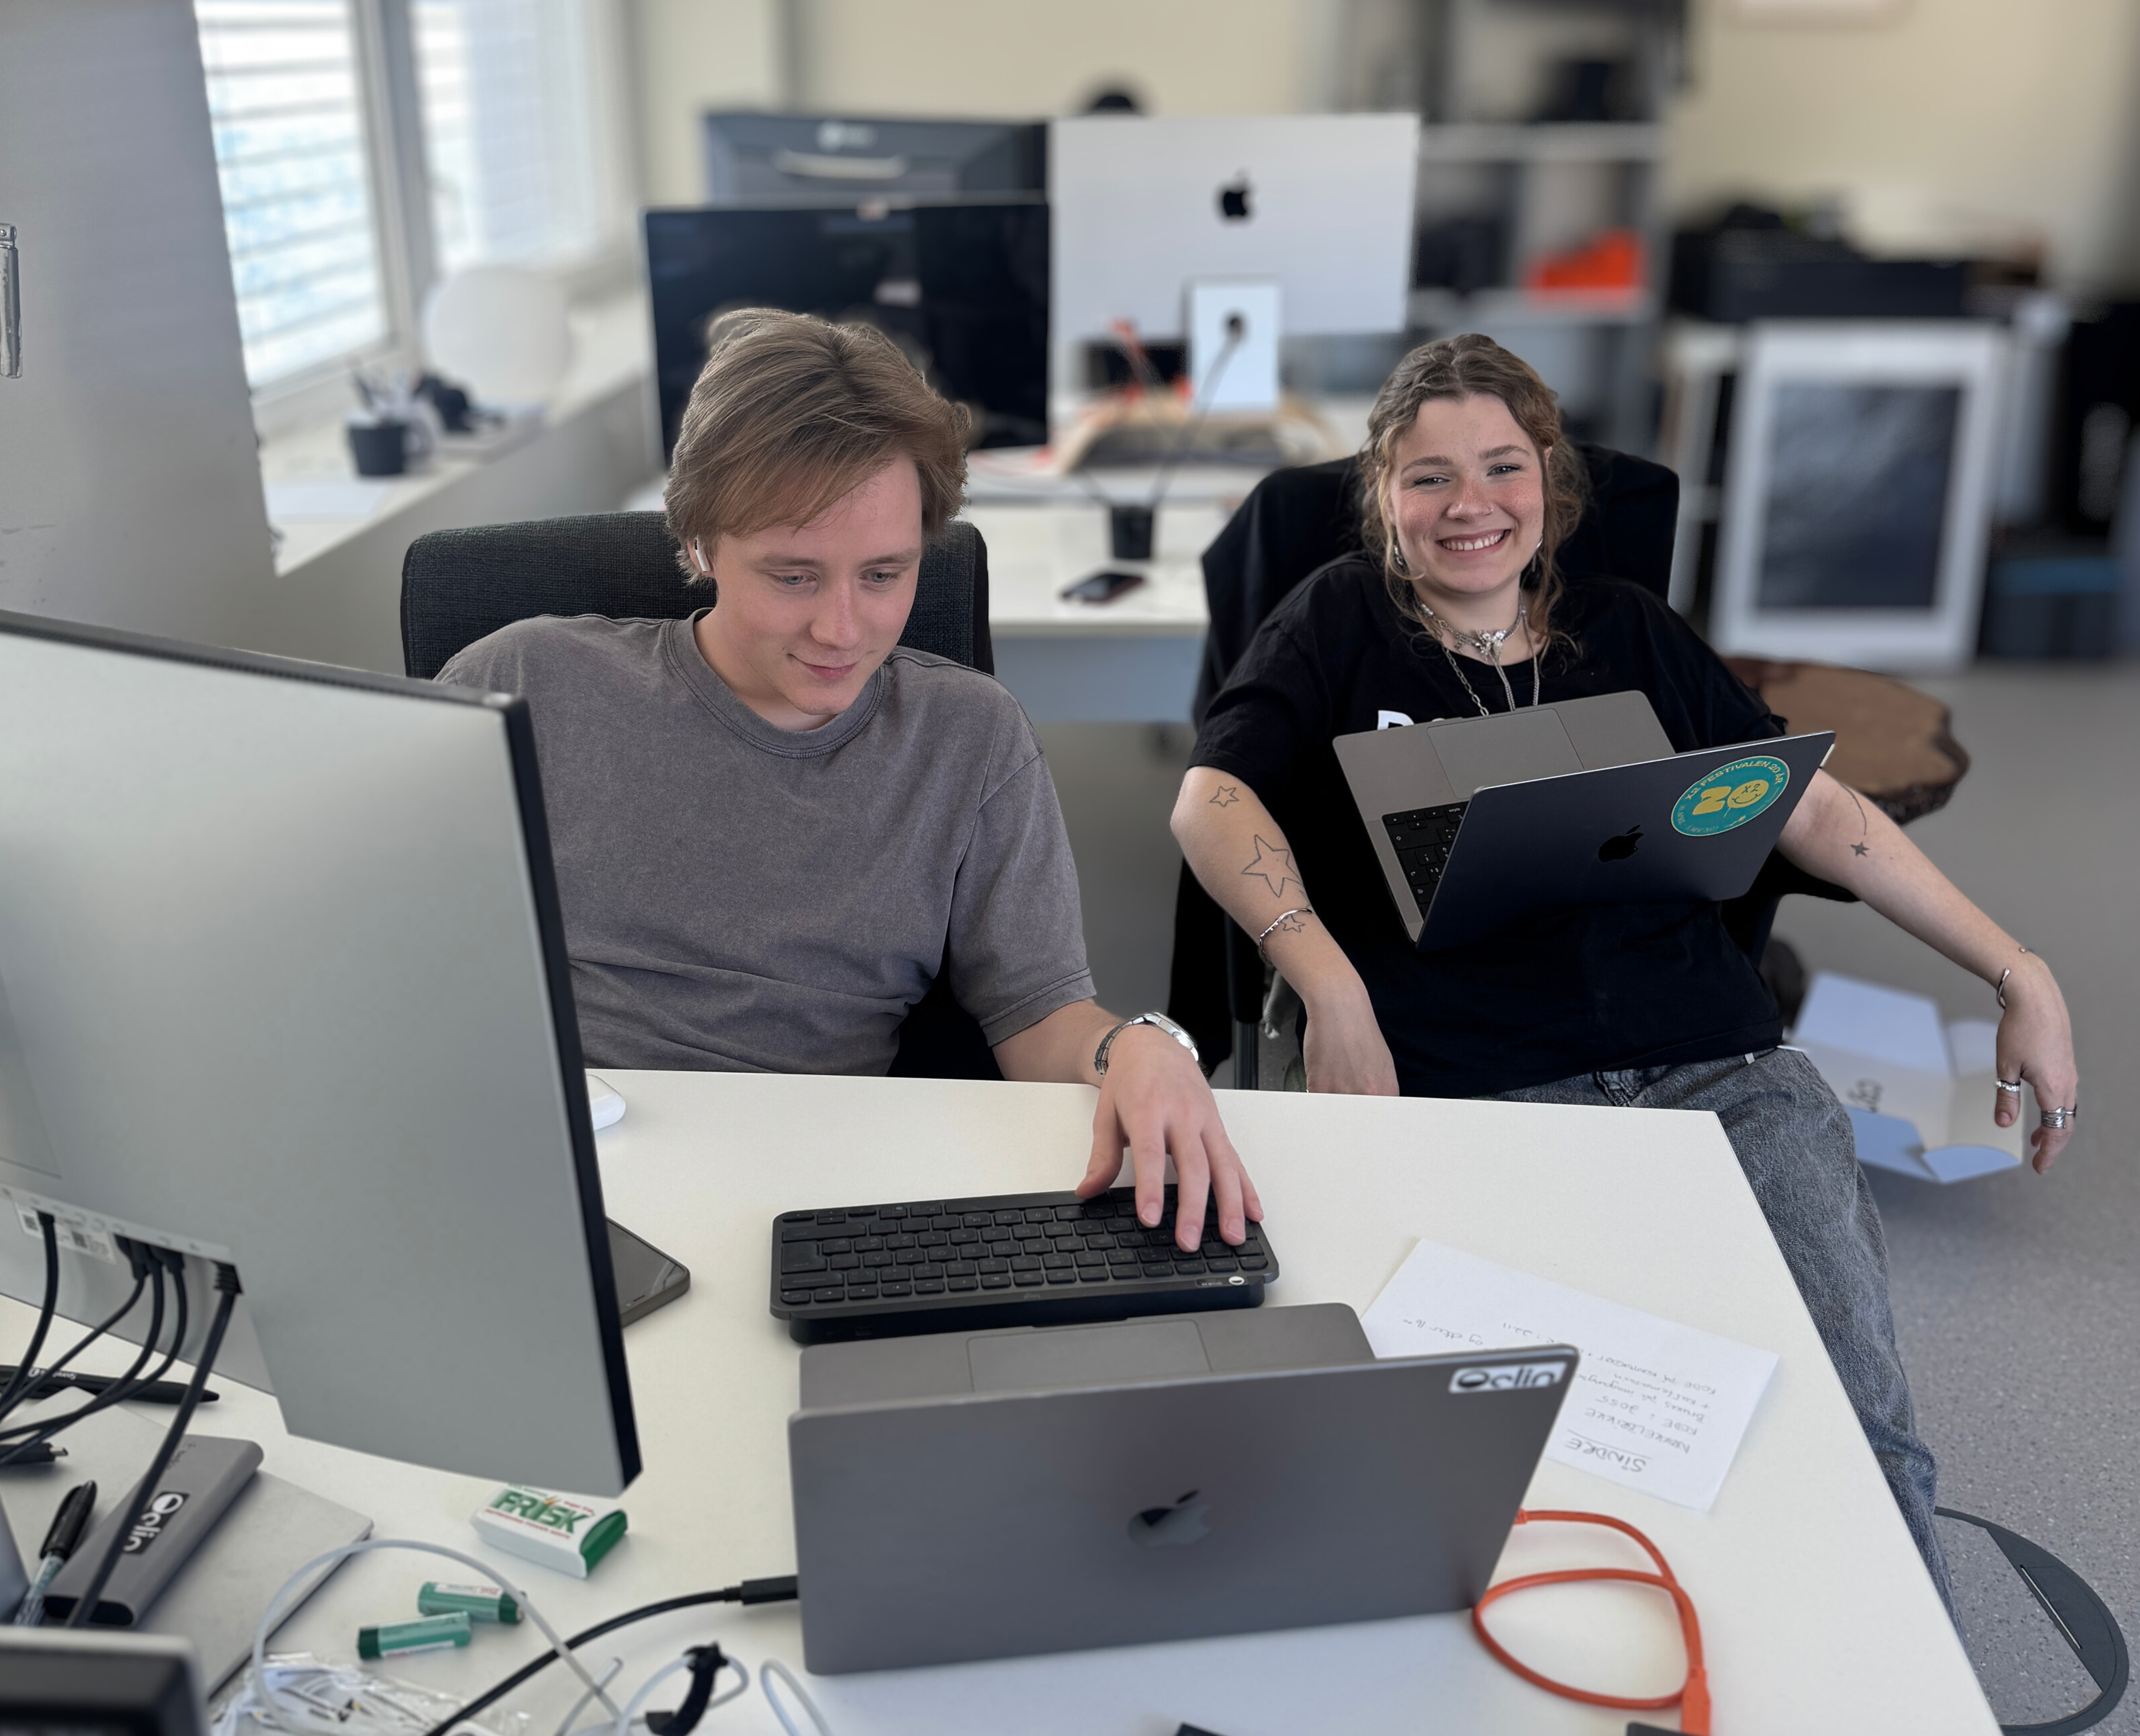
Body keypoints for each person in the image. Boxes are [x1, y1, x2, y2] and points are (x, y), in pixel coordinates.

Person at [1172, 333, 2079, 1600]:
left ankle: (1904, 1671)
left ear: (1549, 480)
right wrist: (1327, 981)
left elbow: (1809, 805)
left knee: (1857, 1430)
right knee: (1545, 1456)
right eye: (1429, 476)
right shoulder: (1339, 621)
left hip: (1719, 1072)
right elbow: (1210, 802)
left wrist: (2016, 968)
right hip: (1477, 1081)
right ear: (1382, 493)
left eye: (1502, 466)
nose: (1471, 504)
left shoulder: (1629, 631)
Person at [442, 308, 1257, 1252]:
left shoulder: (969, 737)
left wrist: (1133, 1047)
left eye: (883, 575)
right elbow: (389, 950)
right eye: (793, 577)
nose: (842, 630)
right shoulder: (525, 683)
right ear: (699, 542)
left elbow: (1038, 1014)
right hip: (551, 1178)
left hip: (804, 1198)